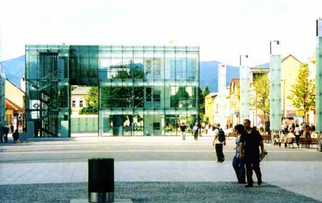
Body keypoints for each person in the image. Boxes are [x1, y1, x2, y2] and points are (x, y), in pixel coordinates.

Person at [240, 119, 264, 187]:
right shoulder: (244, 133)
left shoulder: (255, 132)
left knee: (256, 167)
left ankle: (259, 178)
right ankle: (250, 182)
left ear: (249, 123)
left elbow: (261, 142)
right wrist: (241, 153)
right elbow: (241, 143)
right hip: (247, 152)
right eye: (244, 123)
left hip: (255, 152)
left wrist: (262, 151)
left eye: (246, 123)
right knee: (248, 168)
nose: (245, 125)